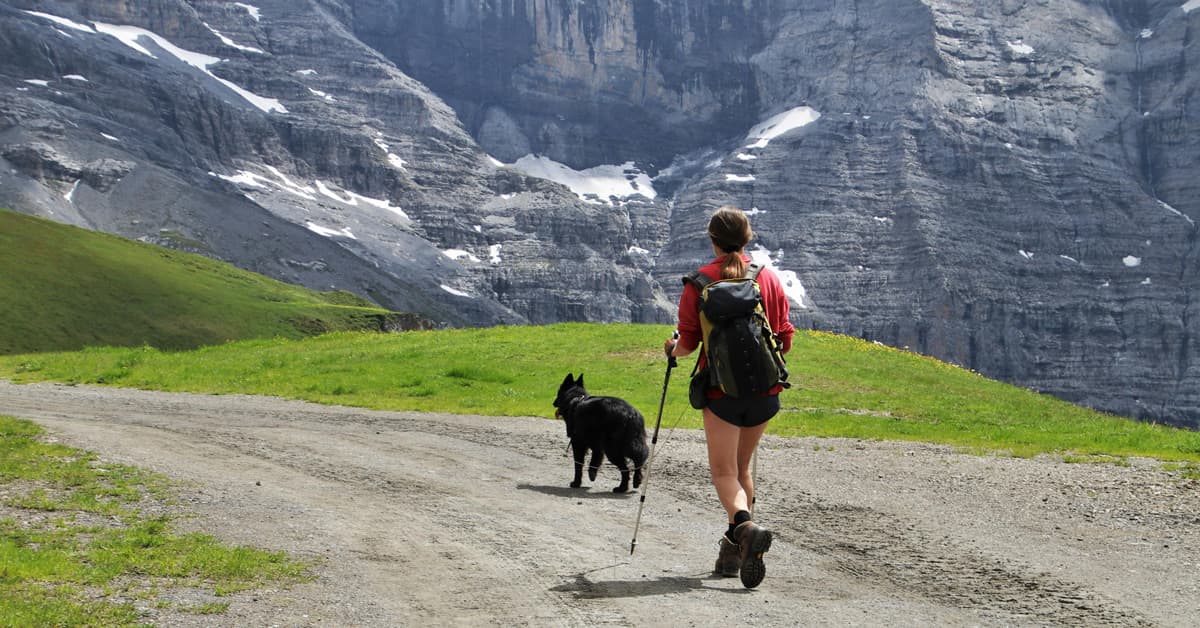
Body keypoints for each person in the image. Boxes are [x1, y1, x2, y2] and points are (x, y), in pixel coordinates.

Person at [664, 205, 794, 589]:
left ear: (712, 239)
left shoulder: (698, 282)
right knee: (743, 470)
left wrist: (671, 348)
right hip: (766, 391)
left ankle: (744, 527)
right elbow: (784, 336)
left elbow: (687, 344)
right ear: (747, 236)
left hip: (722, 392)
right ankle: (735, 550)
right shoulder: (766, 278)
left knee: (724, 473)